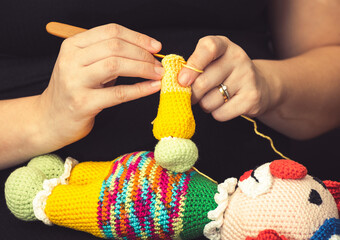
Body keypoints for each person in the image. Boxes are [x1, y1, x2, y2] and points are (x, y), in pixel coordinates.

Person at [0, 0, 340, 239]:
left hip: (262, 208)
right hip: (39, 196)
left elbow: (330, 60)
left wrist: (270, 85)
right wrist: (42, 117)